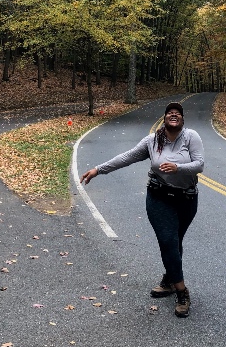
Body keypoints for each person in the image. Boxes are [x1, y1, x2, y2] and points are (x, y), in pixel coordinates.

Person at [80, 101, 204, 318]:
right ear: (164, 119)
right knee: (168, 241)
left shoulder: (191, 137)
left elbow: (200, 165)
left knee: (175, 241)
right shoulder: (152, 141)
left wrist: (178, 168)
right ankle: (182, 292)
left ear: (182, 120)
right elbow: (126, 157)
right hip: (158, 198)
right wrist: (98, 170)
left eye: (177, 113)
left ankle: (168, 280)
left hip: (186, 199)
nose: (173, 115)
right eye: (169, 113)